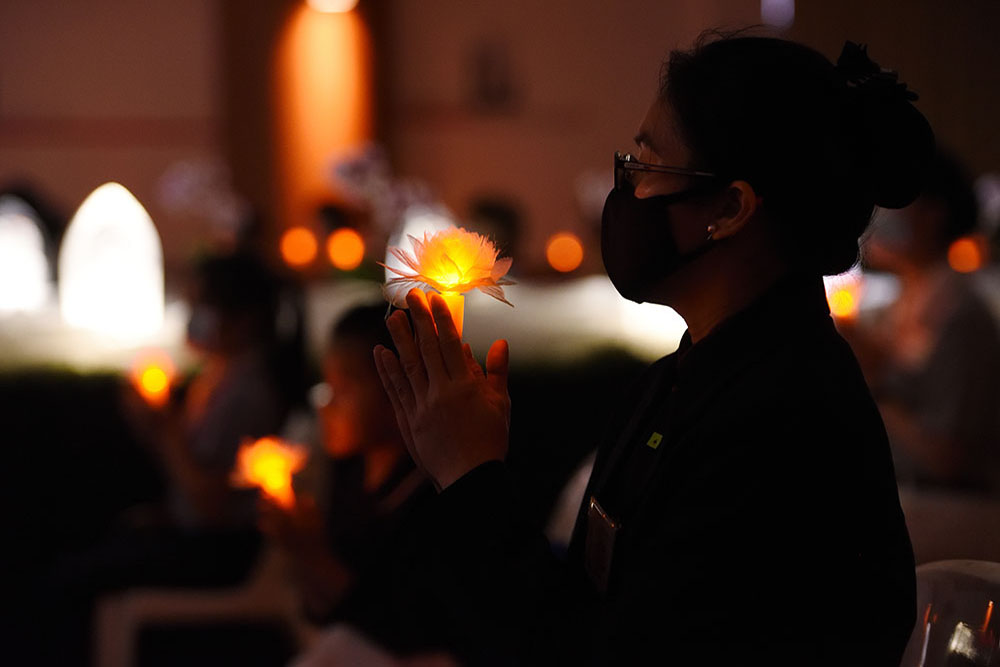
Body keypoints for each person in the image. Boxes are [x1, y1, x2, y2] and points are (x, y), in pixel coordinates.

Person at [374, 33, 933, 665]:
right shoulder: (687, 375)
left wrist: (471, 478)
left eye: (645, 165)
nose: (627, 192)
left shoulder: (782, 421)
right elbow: (586, 604)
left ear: (729, 207)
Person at [260, 304, 440, 656]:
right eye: (325, 385)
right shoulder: (349, 477)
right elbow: (322, 612)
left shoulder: (427, 495)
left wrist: (312, 553)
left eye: (344, 388)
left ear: (398, 390)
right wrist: (297, 549)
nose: (327, 404)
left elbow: (395, 630)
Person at [846, 151, 1000, 493]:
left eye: (894, 198)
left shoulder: (959, 313)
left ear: (934, 214)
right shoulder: (903, 300)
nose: (878, 212)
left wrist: (872, 386)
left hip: (948, 512)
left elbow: (953, 458)